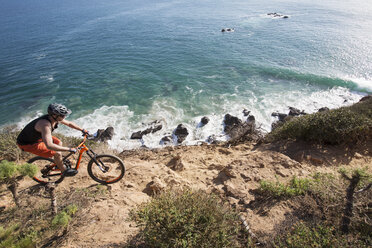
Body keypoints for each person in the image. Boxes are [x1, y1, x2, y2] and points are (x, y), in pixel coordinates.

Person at [17, 103, 87, 177]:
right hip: (28, 144)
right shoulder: (45, 125)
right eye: (62, 115)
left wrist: (82, 130)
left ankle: (57, 162)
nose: (64, 117)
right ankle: (64, 171)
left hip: (38, 138)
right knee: (57, 153)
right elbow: (49, 145)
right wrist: (69, 149)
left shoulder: (54, 118)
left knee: (59, 142)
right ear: (54, 115)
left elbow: (69, 123)